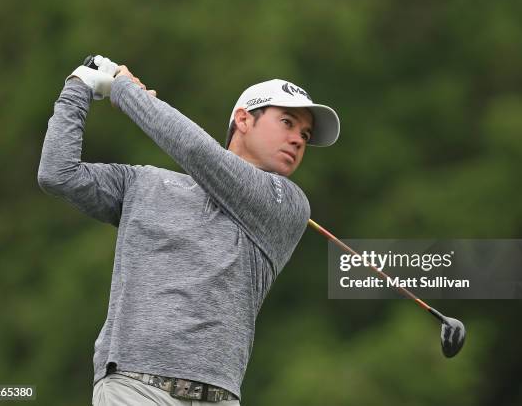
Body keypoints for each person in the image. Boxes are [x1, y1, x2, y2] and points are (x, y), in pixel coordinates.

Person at [37, 56, 340, 405]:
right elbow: (58, 173)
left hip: (219, 397)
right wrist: (78, 89)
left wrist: (125, 91)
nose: (298, 140)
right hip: (135, 386)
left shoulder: (287, 204)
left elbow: (197, 151)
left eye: (304, 134)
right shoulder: (144, 183)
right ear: (243, 119)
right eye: (287, 122)